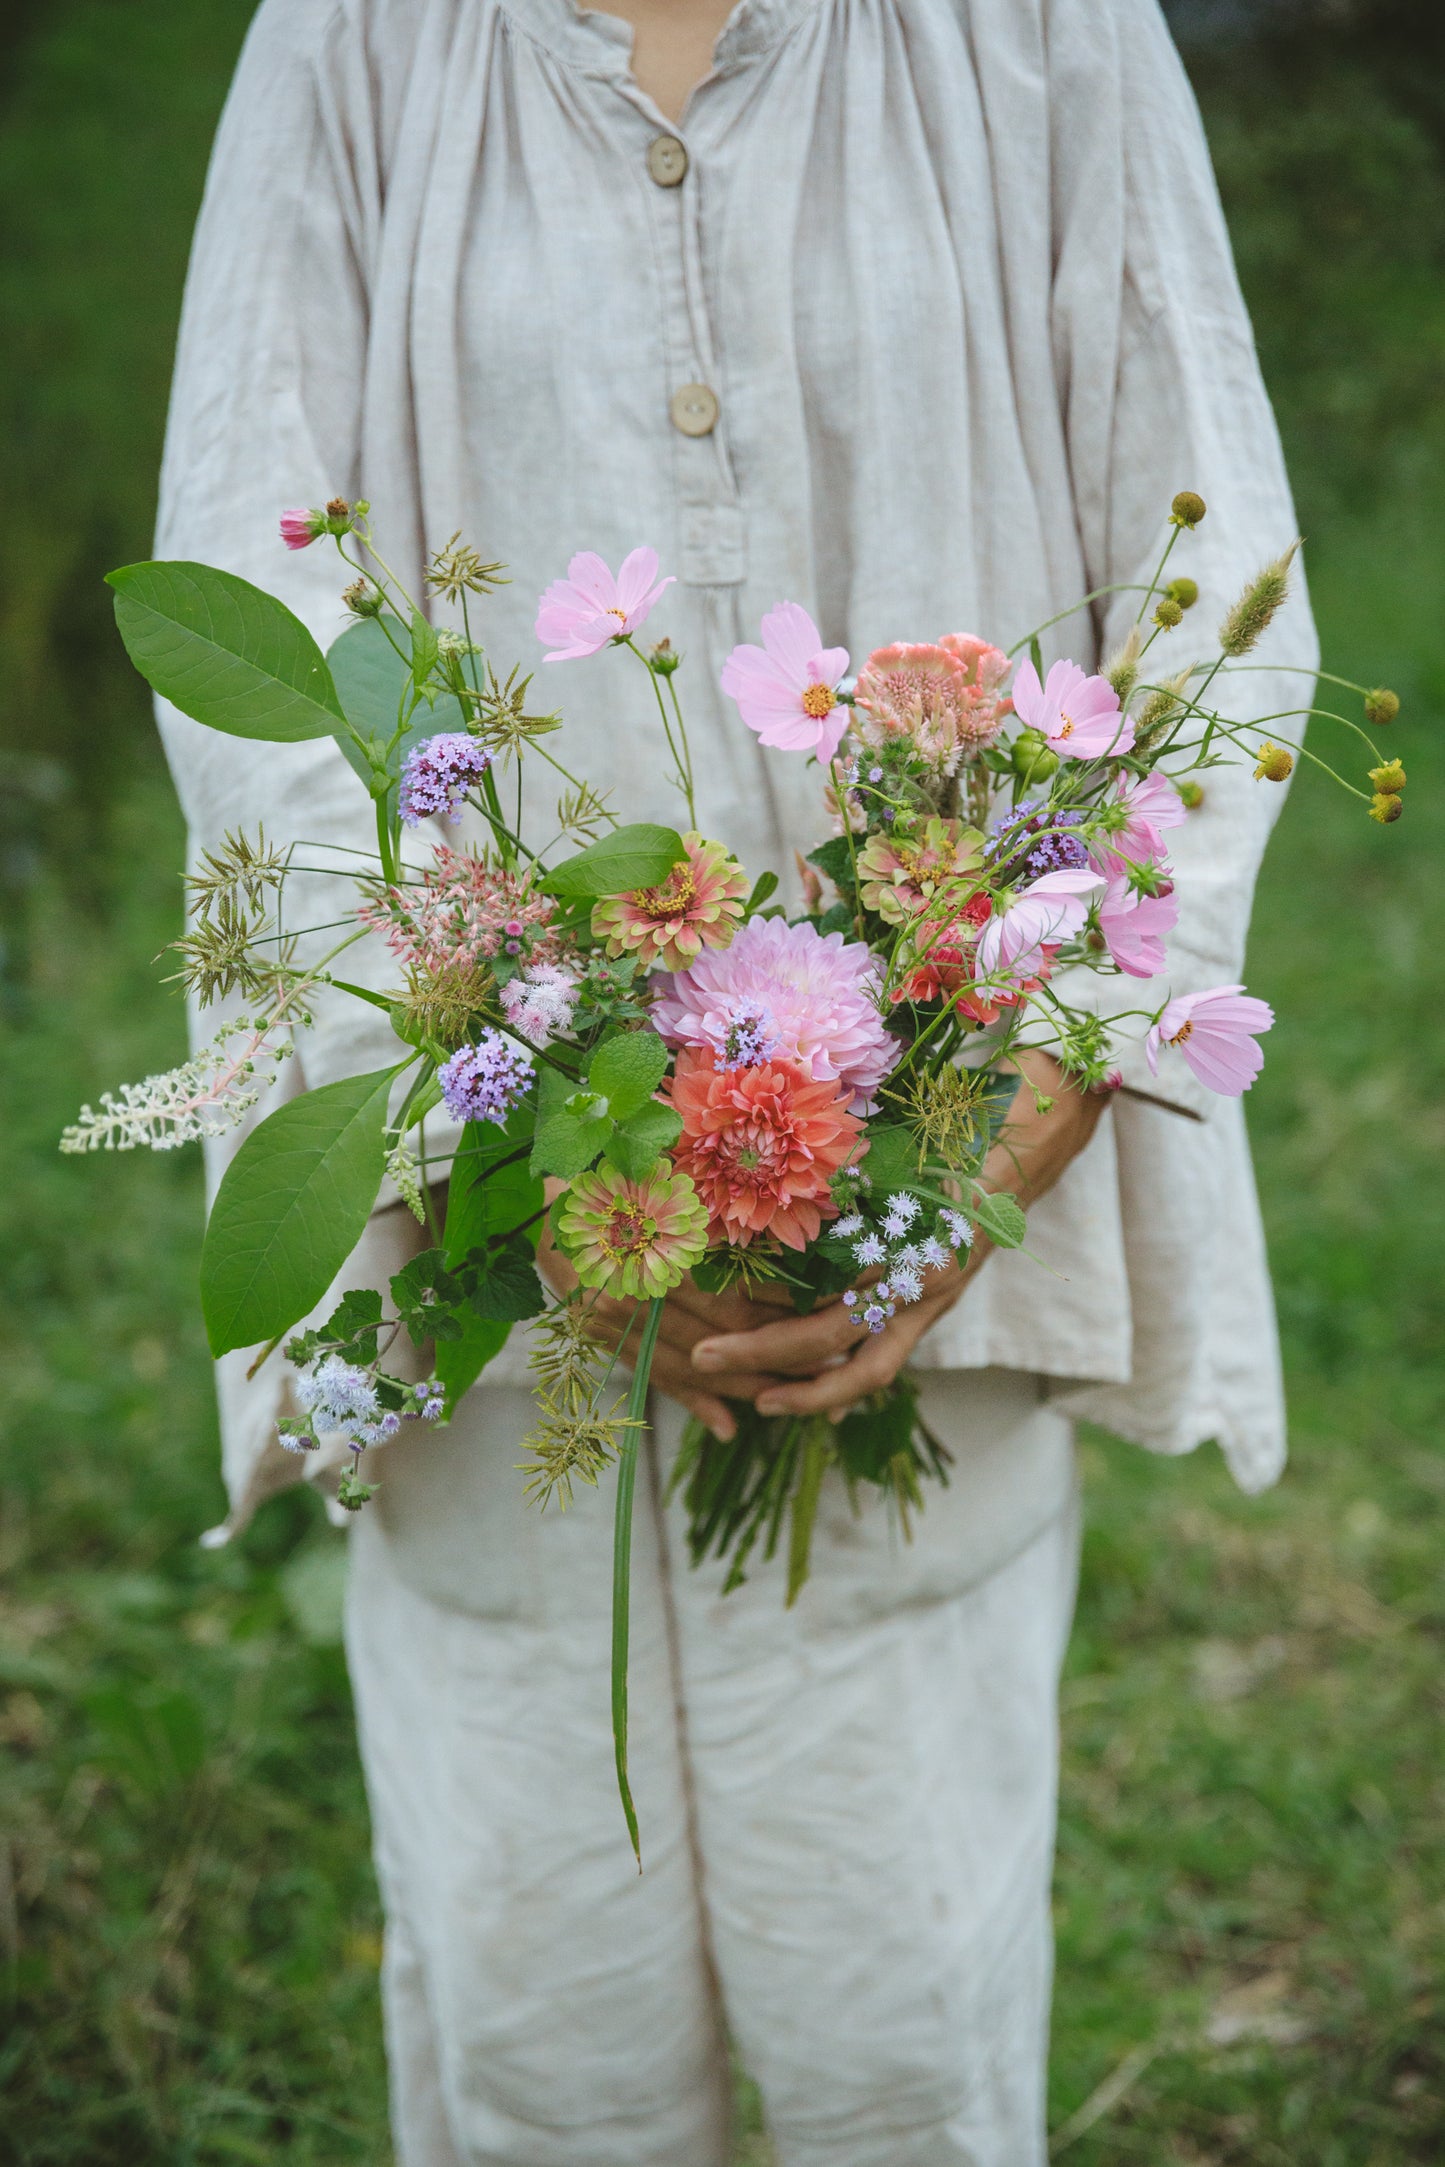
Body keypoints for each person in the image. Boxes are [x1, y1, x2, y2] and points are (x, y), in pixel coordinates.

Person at [154, 0, 1317, 2160]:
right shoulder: (350, 44)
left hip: (929, 1228)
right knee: (537, 2035)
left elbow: (1213, 592)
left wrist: (1011, 1090)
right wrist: (513, 1137)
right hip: (503, 1263)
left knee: (907, 2025)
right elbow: (248, 599)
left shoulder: (1048, 33)